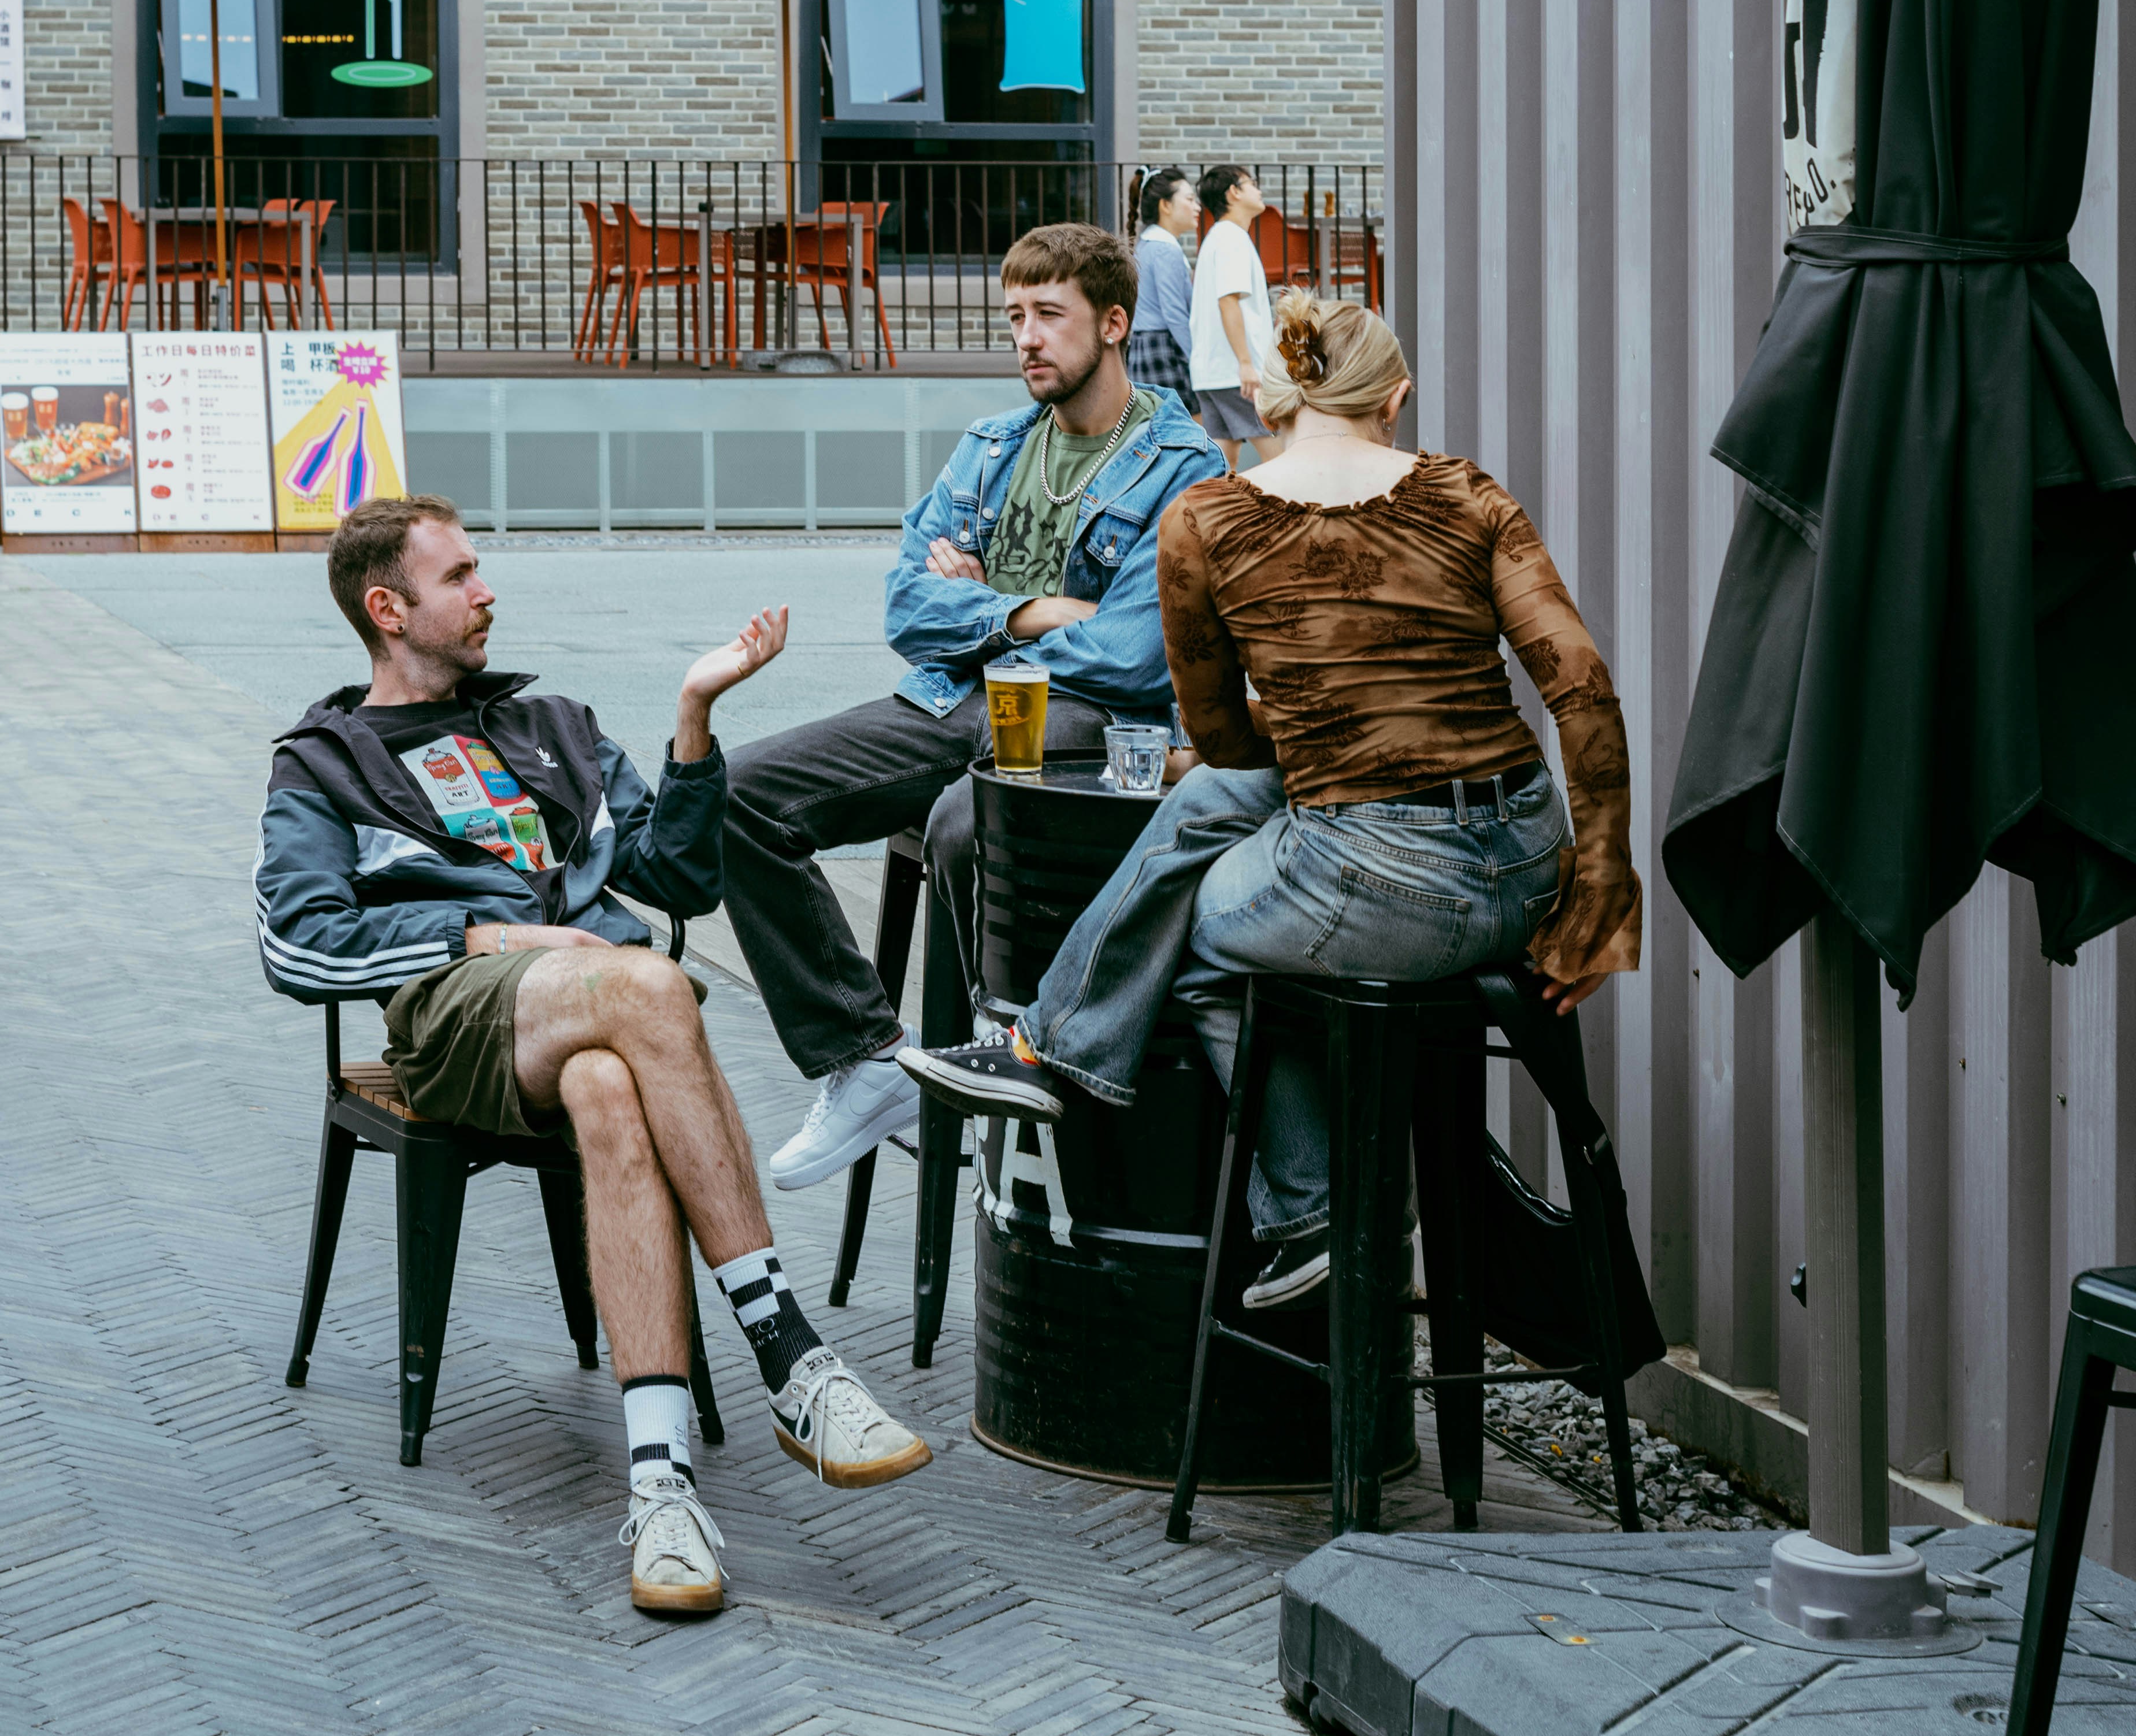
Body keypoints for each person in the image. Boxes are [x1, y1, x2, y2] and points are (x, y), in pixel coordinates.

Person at [254, 493, 930, 1623]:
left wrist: (697, 714)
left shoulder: (550, 726)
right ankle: (792, 1355)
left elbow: (678, 881)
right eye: (460, 576)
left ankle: (661, 1490)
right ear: (388, 609)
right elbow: (296, 944)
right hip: (458, 1020)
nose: (488, 592)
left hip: (595, 1021)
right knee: (652, 983)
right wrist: (482, 935)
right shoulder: (327, 763)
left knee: (611, 1084)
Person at [903, 291, 1642, 1308]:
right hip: (1524, 859)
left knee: (1191, 934)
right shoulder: (1466, 493)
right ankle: (1049, 1046)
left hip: (1378, 891)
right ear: (1396, 396)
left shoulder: (1205, 519)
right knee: (1218, 806)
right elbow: (1580, 687)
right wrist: (1602, 889)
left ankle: (1298, 1206)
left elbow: (1215, 738)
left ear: (1270, 402)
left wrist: (1326, 731)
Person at [721, 224, 1225, 1190]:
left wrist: (978, 605)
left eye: (1048, 316)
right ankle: (864, 1058)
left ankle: (1003, 1056)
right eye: (1013, 319)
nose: (1025, 338)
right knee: (737, 792)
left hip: (1083, 717)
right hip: (952, 699)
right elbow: (907, 607)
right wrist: (1032, 608)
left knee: (967, 819)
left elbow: (1127, 654)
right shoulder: (991, 446)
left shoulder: (1180, 467)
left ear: (1114, 324)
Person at [1189, 161, 1277, 470]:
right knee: (1280, 456)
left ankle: (1210, 518)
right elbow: (1229, 302)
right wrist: (1246, 365)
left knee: (1222, 468)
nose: (1259, 189)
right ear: (1234, 193)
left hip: (1213, 373)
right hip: (1236, 373)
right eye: (1252, 183)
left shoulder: (1217, 238)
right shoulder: (1232, 240)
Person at [1126, 166, 1200, 410]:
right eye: (1189, 199)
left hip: (1143, 348)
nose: (1197, 207)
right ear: (1165, 206)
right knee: (1193, 433)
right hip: (1164, 350)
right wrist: (1196, 360)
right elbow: (1174, 314)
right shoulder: (1164, 249)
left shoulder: (1147, 244)